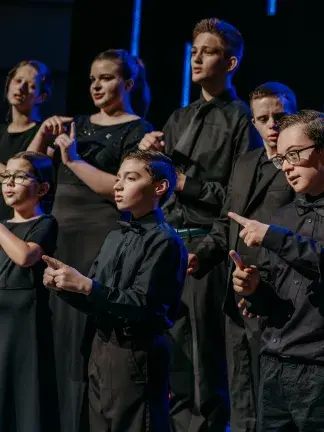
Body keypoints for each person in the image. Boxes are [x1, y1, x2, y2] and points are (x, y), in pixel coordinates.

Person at [139, 17, 261, 431]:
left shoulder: (241, 120)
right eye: (194, 51)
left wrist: (187, 183)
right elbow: (160, 188)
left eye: (207, 51)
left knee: (208, 362)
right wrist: (149, 159)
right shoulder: (177, 118)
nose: (196, 58)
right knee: (175, 359)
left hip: (207, 251)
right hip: (170, 244)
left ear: (230, 63)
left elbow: (237, 197)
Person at [28, 48, 153, 432]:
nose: (96, 86)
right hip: (62, 228)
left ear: (128, 83)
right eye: (92, 79)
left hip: (99, 231)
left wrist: (74, 161)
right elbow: (30, 169)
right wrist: (42, 133)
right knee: (55, 325)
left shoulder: (138, 129)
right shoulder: (76, 123)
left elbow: (118, 187)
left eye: (106, 78)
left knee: (84, 324)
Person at [43, 149, 188, 432]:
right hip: (102, 349)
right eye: (118, 177)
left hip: (136, 353)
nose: (118, 185)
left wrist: (87, 285)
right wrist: (65, 286)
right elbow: (98, 298)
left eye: (130, 178)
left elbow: (145, 305)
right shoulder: (115, 234)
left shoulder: (164, 241)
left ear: (159, 187)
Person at [190, 82, 297, 431]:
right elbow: (227, 221)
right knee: (240, 391)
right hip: (236, 294)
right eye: (263, 119)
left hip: (278, 295)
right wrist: (200, 256)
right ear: (253, 123)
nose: (272, 125)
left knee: (272, 395)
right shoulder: (246, 162)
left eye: (279, 116)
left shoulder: (302, 167)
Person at [228, 109, 324, 431]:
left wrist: (273, 237)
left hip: (319, 370)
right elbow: (274, 303)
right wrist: (254, 289)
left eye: (294, 154)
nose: (287, 167)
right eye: (281, 159)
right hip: (274, 366)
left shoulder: (276, 230)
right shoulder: (282, 218)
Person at [0, 151, 58, 432]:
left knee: (23, 392)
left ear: (43, 188)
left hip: (24, 318)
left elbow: (25, 257)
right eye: (5, 176)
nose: (9, 183)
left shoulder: (44, 223)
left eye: (20, 176)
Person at [0, 60, 52, 220]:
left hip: (20, 223)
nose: (20, 87)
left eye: (31, 85)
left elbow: (25, 172)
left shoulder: (46, 134)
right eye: (18, 80)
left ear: (41, 97)